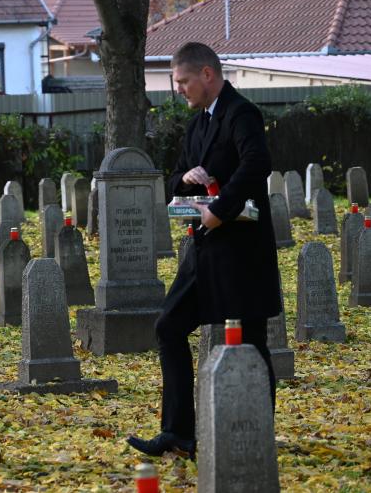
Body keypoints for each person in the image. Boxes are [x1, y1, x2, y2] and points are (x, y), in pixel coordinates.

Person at [127, 42, 282, 459]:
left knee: (249, 342)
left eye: (182, 81)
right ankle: (178, 433)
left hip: (241, 252)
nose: (178, 89)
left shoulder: (240, 113)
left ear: (207, 75)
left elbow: (256, 165)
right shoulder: (198, 125)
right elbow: (176, 177)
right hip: (204, 251)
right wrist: (189, 178)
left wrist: (219, 208)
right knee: (169, 327)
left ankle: (256, 433)